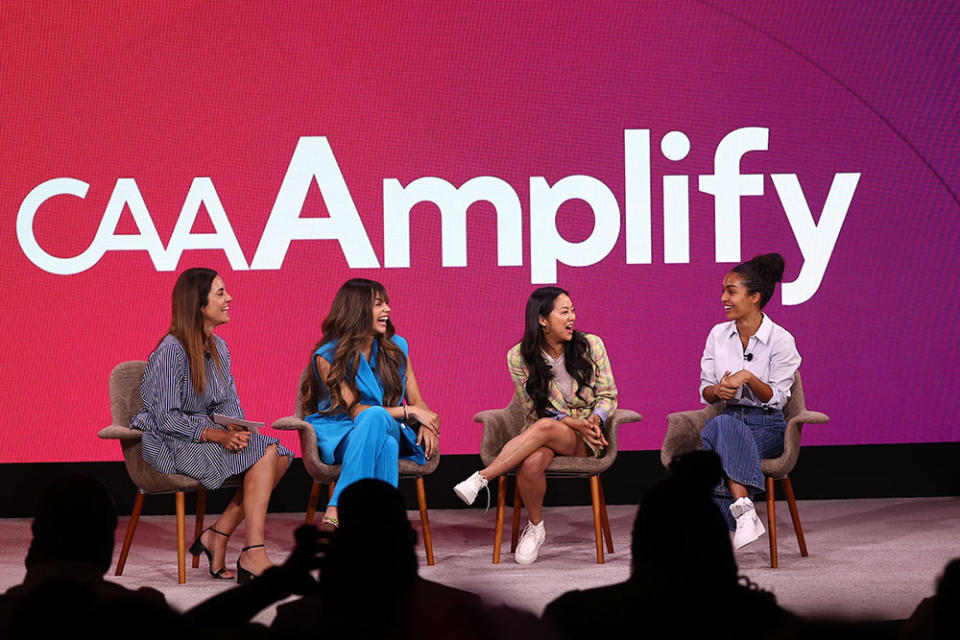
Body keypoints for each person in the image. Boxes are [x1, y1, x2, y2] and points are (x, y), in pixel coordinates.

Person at [131, 267, 291, 582]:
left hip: (203, 436)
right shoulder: (170, 352)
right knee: (268, 452)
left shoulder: (218, 348)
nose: (229, 298)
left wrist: (235, 426)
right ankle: (252, 551)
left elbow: (226, 401)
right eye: (220, 293)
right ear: (198, 305)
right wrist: (215, 435)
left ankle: (218, 533)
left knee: (281, 456)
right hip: (169, 444)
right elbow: (165, 417)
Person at [542, 451, 793, 639]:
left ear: (640, 542)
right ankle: (743, 509)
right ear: (718, 546)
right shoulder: (767, 623)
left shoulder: (573, 617)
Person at [454, 286, 617, 564]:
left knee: (543, 428)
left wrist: (593, 419)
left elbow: (608, 395)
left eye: (573, 311)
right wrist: (569, 422)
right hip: (545, 430)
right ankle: (536, 527)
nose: (572, 318)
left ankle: (482, 478)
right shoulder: (518, 357)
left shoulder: (591, 345)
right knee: (530, 463)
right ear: (542, 320)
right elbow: (533, 410)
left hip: (587, 437)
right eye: (564, 312)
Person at [302, 278, 439, 530]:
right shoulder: (327, 355)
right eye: (379, 304)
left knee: (380, 424)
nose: (387, 309)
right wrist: (410, 411)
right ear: (357, 310)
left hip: (388, 425)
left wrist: (427, 423)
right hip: (342, 432)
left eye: (386, 303)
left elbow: (417, 399)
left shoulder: (398, 347)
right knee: (384, 442)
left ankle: (336, 507)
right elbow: (357, 411)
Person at [698, 253, 801, 549]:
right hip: (729, 417)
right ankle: (743, 512)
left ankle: (714, 529)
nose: (723, 298)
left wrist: (749, 378)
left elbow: (779, 398)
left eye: (731, 291)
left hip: (767, 426)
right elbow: (705, 389)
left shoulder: (781, 340)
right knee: (721, 426)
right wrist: (719, 391)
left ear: (754, 297)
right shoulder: (717, 334)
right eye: (723, 291)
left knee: (717, 435)